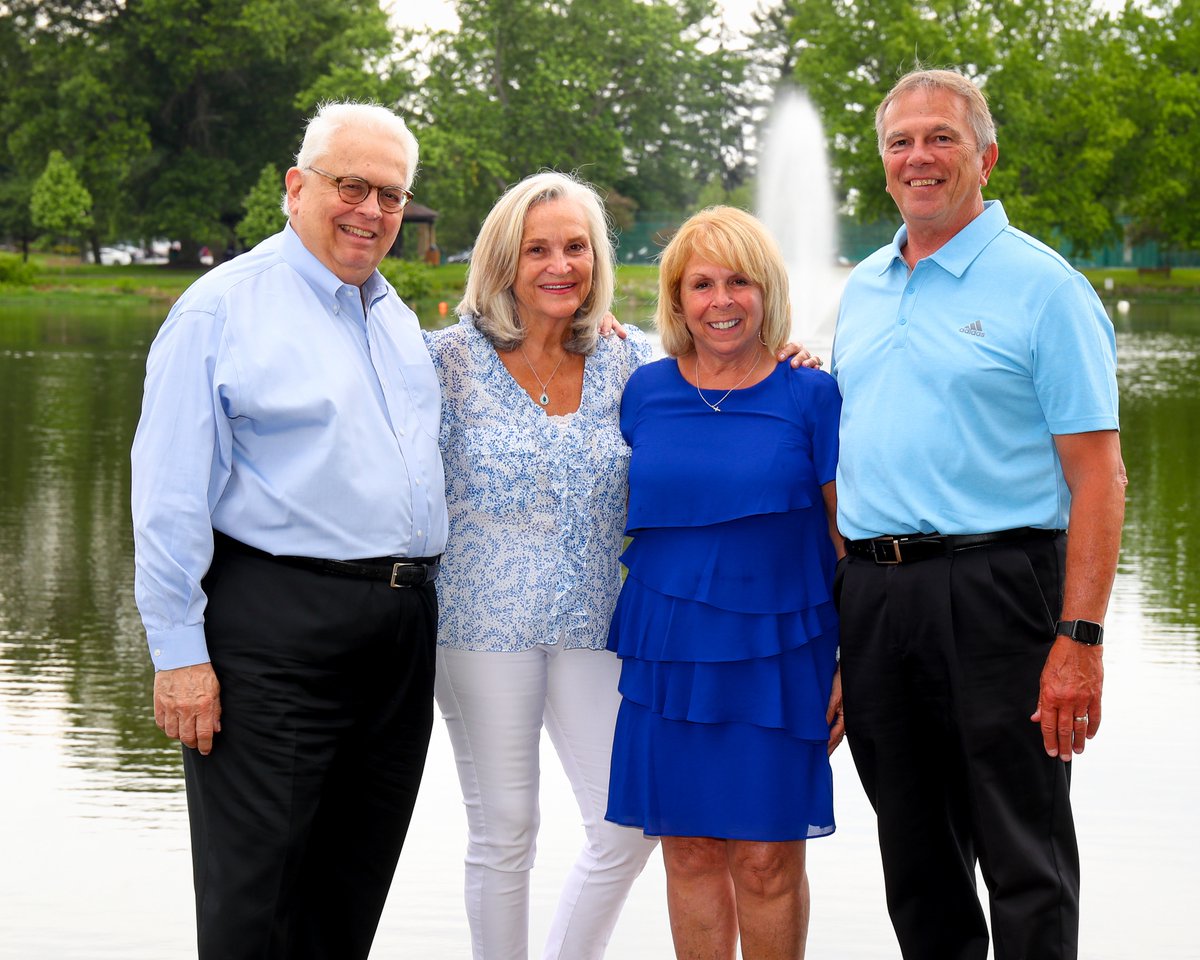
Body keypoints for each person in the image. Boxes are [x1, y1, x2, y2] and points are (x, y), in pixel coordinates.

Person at [131, 102, 446, 960]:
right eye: (353, 186)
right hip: (275, 631)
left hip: (401, 630)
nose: (372, 211)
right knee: (256, 905)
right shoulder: (220, 312)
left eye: (391, 194)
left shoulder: (392, 317)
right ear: (296, 186)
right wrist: (178, 656)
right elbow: (166, 499)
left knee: (349, 894)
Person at [831, 68, 1126, 960]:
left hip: (1002, 591)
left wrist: (1080, 638)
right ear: (884, 164)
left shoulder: (1046, 289)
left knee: (1022, 854)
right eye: (900, 142)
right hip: (876, 597)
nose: (918, 157)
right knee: (915, 860)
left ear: (985, 157)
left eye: (941, 138)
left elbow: (1100, 477)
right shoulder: (866, 289)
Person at [425, 171, 659, 960]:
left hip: (596, 622)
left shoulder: (633, 363)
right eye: (538, 250)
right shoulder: (445, 362)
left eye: (576, 248)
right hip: (478, 626)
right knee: (506, 830)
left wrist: (792, 355)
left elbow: (726, 377)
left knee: (626, 825)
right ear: (504, 262)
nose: (561, 265)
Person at [605, 205, 845, 960]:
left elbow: (846, 542)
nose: (721, 301)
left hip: (780, 655)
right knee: (689, 852)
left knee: (768, 857)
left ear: (767, 290)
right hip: (669, 656)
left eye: (739, 281)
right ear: (676, 300)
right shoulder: (642, 391)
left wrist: (850, 659)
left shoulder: (812, 394)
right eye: (701, 284)